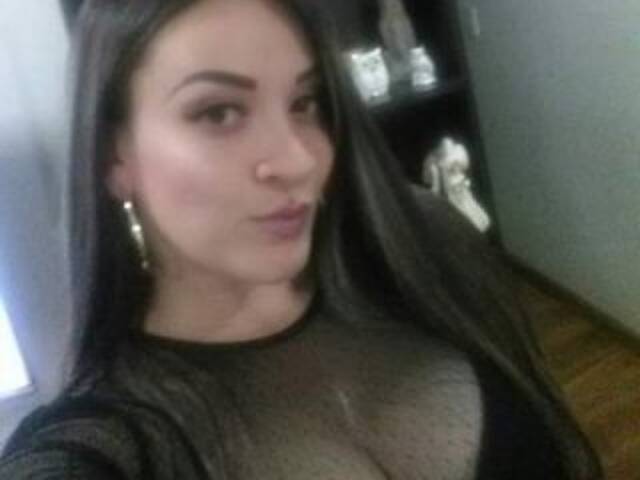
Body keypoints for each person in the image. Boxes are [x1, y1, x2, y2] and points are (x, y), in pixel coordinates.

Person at [0, 0, 602, 478]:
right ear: (114, 156)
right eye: (217, 112)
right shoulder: (108, 439)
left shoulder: (429, 245)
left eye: (305, 102)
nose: (298, 160)